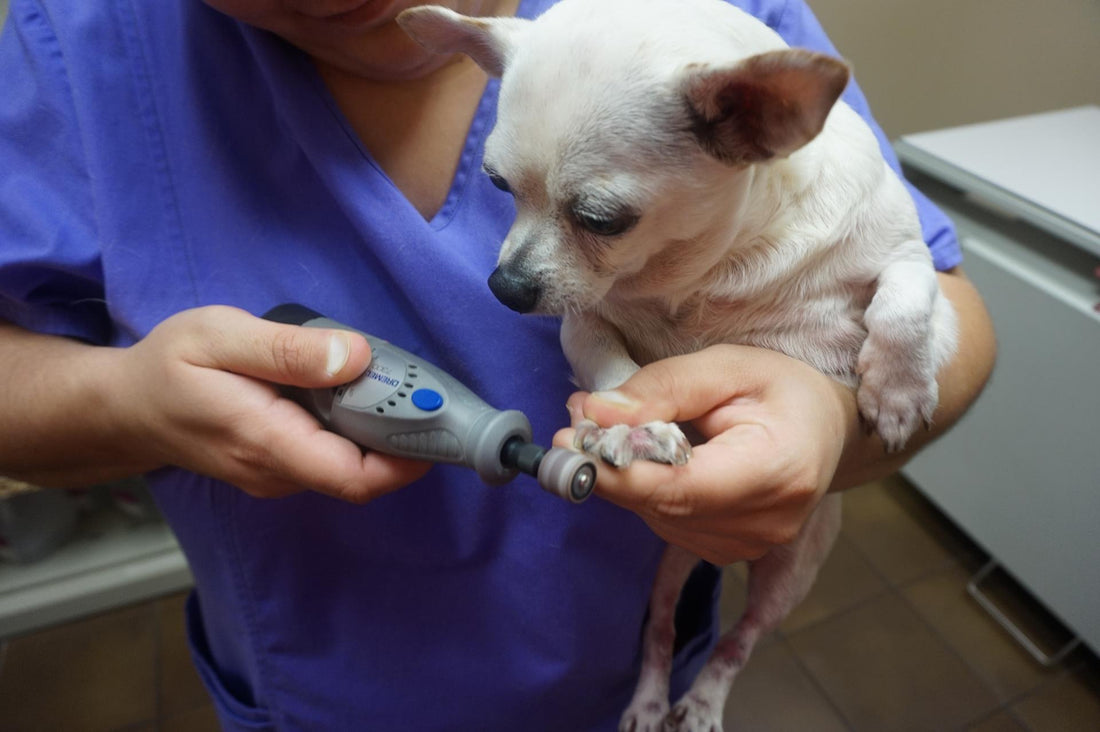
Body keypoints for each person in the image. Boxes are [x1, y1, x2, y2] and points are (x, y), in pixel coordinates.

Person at [0, 0, 995, 729]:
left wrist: (831, 422)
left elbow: (946, 310)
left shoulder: (720, 40)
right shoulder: (78, 47)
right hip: (328, 697)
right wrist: (122, 402)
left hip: (636, 669)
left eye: (596, 215)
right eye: (502, 190)